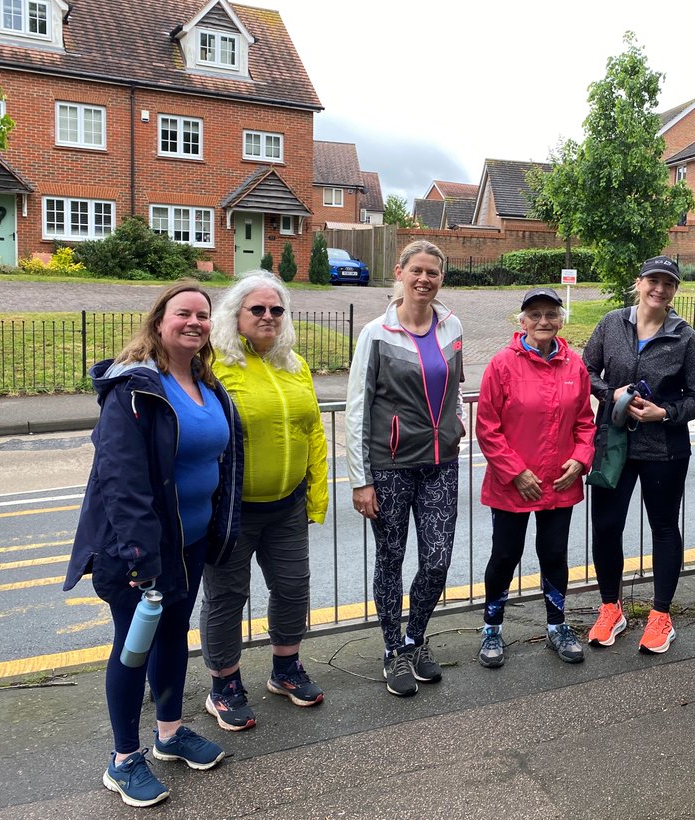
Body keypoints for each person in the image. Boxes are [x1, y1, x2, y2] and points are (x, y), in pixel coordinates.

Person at [64, 281, 242, 809]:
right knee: (132, 646)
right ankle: (122, 761)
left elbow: (222, 464)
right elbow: (121, 482)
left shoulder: (208, 386)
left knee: (172, 640)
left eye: (203, 316)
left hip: (187, 546)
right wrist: (142, 558)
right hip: (136, 551)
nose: (194, 322)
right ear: (159, 322)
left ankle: (169, 734)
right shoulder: (135, 390)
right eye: (183, 313)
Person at [199, 270, 328, 731]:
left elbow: (312, 430)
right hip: (232, 511)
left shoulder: (294, 365)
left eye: (276, 309)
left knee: (294, 587)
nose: (268, 316)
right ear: (236, 316)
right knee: (227, 598)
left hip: (287, 505)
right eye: (258, 309)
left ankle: (286, 669)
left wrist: (316, 493)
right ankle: (224, 686)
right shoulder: (212, 366)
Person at [346, 240, 464, 697]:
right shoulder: (376, 332)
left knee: (437, 561)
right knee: (391, 560)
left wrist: (452, 421)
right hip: (391, 466)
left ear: (441, 278)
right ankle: (393, 650)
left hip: (441, 464)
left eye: (432, 273)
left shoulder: (452, 325)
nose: (424, 280)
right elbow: (358, 407)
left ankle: (416, 638)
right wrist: (361, 480)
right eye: (416, 271)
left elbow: (453, 383)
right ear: (400, 273)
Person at [582, 256, 695, 654]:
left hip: (664, 449)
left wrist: (665, 413)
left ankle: (660, 616)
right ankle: (610, 608)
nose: (659, 288)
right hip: (614, 444)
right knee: (605, 527)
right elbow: (587, 370)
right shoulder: (611, 324)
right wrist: (609, 393)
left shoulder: (686, 337)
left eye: (668, 283)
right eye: (653, 280)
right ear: (639, 283)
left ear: (675, 291)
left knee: (664, 528)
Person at [475, 288, 596, 668]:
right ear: (522, 321)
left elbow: (584, 422)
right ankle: (492, 629)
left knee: (555, 554)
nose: (543, 321)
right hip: (512, 485)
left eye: (551, 314)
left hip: (560, 482)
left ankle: (557, 625)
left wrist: (580, 459)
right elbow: (487, 427)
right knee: (505, 555)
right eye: (535, 314)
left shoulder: (573, 365)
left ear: (560, 319)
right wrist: (515, 472)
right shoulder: (501, 364)